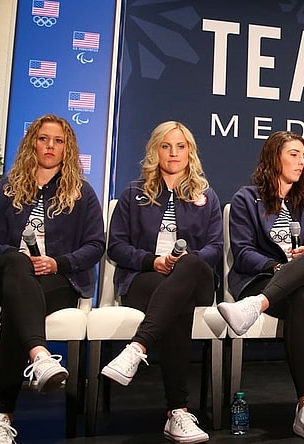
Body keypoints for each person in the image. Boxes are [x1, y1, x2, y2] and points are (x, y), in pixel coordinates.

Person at [0, 114, 105, 444]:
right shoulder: (5, 187)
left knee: (18, 307)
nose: (50, 146)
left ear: (67, 149)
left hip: (55, 280)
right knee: (18, 266)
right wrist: (14, 258)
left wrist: (57, 263)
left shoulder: (82, 194)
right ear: (32, 143)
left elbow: (95, 245)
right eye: (44, 138)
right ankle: (40, 356)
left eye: (58, 141)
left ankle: (2, 417)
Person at [216, 131, 304, 443]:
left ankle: (256, 306)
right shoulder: (246, 199)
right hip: (267, 279)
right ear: (274, 158)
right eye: (293, 154)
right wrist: (278, 267)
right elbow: (243, 252)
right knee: (301, 294)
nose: (301, 162)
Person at [101, 121, 221, 443]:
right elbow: (116, 246)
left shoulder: (206, 197)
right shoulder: (133, 193)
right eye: (166, 146)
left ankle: (137, 347)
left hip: (196, 279)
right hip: (146, 278)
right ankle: (177, 413)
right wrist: (152, 261)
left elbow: (215, 248)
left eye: (180, 146)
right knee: (177, 304)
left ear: (190, 152)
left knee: (190, 264)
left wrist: (185, 261)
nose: (173, 153)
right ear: (155, 151)